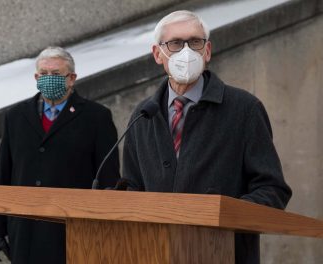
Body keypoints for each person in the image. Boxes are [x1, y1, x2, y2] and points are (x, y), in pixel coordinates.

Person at [122, 10, 292, 264]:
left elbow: (272, 188)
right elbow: (132, 187)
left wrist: (224, 216)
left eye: (195, 42)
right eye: (176, 43)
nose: (186, 51)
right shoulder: (144, 114)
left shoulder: (244, 108)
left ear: (208, 51)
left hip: (224, 253)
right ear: (158, 54)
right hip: (156, 253)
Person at [0, 46, 120, 264]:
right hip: (25, 232)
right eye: (43, 74)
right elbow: (3, 176)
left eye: (56, 74)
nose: (49, 79)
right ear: (36, 77)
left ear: (72, 78)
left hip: (73, 232)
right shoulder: (16, 117)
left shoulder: (96, 117)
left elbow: (108, 179)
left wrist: (107, 231)